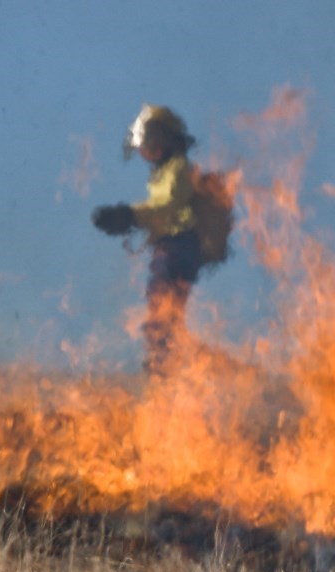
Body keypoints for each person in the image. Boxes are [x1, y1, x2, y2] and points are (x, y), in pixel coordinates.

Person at [92, 104, 231, 375]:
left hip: (179, 248)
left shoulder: (178, 169)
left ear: (162, 140)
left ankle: (166, 366)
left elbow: (166, 208)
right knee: (164, 315)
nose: (144, 151)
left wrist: (129, 216)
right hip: (172, 248)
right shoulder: (165, 171)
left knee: (162, 315)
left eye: (148, 142)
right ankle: (172, 363)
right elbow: (161, 209)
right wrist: (131, 219)